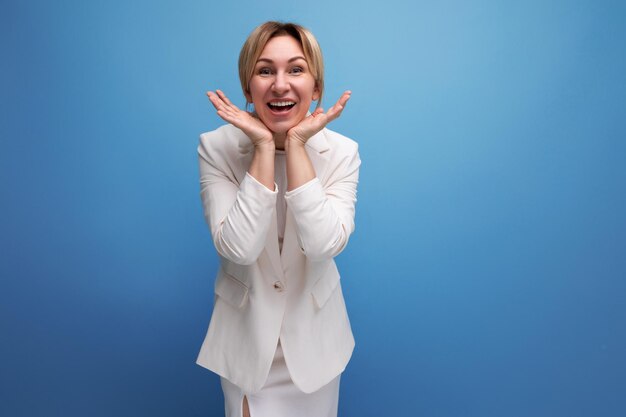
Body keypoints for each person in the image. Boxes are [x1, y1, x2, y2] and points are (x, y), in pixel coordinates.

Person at [196, 21, 360, 417]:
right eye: (265, 70)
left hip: (316, 345)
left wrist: (299, 144)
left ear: (316, 87)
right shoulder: (215, 148)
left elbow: (324, 245)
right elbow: (239, 247)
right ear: (248, 87)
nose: (280, 84)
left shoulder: (343, 153)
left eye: (296, 70)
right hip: (246, 340)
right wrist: (264, 147)